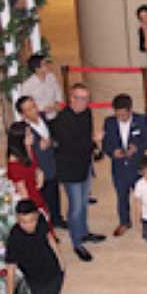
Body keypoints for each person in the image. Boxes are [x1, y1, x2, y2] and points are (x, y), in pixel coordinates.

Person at [50, 84, 102, 260]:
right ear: (71, 99)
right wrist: (93, 141)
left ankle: (84, 232)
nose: (84, 102)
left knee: (83, 203)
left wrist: (94, 147)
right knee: (76, 207)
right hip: (70, 168)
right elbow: (71, 146)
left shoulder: (86, 113)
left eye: (87, 99)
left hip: (84, 164)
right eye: (80, 98)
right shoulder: (62, 120)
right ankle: (77, 243)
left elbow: (86, 136)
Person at [102, 93, 147, 238]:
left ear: (130, 110)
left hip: (138, 166)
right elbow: (106, 144)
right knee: (121, 196)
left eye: (124, 115)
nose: (121, 118)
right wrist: (113, 152)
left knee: (143, 197)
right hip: (119, 168)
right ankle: (124, 222)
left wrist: (137, 148)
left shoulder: (141, 120)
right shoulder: (109, 122)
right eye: (118, 115)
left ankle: (146, 224)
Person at [18, 94, 64, 228]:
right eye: (29, 109)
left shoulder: (44, 118)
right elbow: (22, 153)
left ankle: (57, 219)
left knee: (55, 194)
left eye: (34, 106)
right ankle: (47, 227)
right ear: (22, 114)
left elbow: (56, 137)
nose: (34, 110)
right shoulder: (23, 130)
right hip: (39, 170)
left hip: (53, 164)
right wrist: (38, 148)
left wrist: (52, 143)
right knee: (43, 201)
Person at [5, 120, 47, 215]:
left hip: (35, 191)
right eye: (28, 135)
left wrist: (40, 172)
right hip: (29, 199)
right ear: (20, 139)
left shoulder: (28, 149)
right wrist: (34, 212)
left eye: (31, 132)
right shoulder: (14, 164)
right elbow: (23, 194)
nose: (32, 135)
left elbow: (34, 166)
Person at [21, 53, 65, 120]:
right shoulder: (27, 85)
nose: (48, 65)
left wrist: (57, 106)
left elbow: (59, 95)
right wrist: (42, 109)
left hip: (56, 115)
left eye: (46, 63)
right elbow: (26, 106)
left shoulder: (51, 77)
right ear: (37, 68)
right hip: (39, 119)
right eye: (44, 64)